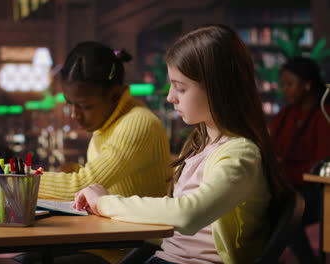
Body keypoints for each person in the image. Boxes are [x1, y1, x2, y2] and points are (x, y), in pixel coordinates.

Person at [74, 24, 288, 264]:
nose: (170, 97)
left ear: (217, 88)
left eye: (181, 88)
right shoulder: (200, 144)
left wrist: (105, 202)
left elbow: (187, 214)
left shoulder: (241, 154)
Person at [0, 41, 172, 263]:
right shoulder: (108, 124)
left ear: (115, 94)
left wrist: (5, 177)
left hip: (131, 248)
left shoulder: (138, 123)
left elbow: (81, 184)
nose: (74, 114)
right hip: (102, 237)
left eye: (85, 106)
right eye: (70, 104)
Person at [269, 57, 330, 264]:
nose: (284, 90)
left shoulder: (324, 116)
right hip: (287, 187)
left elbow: (320, 165)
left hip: (313, 191)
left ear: (307, 85)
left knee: (282, 211)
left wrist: (283, 171)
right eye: (283, 84)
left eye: (289, 84)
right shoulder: (285, 115)